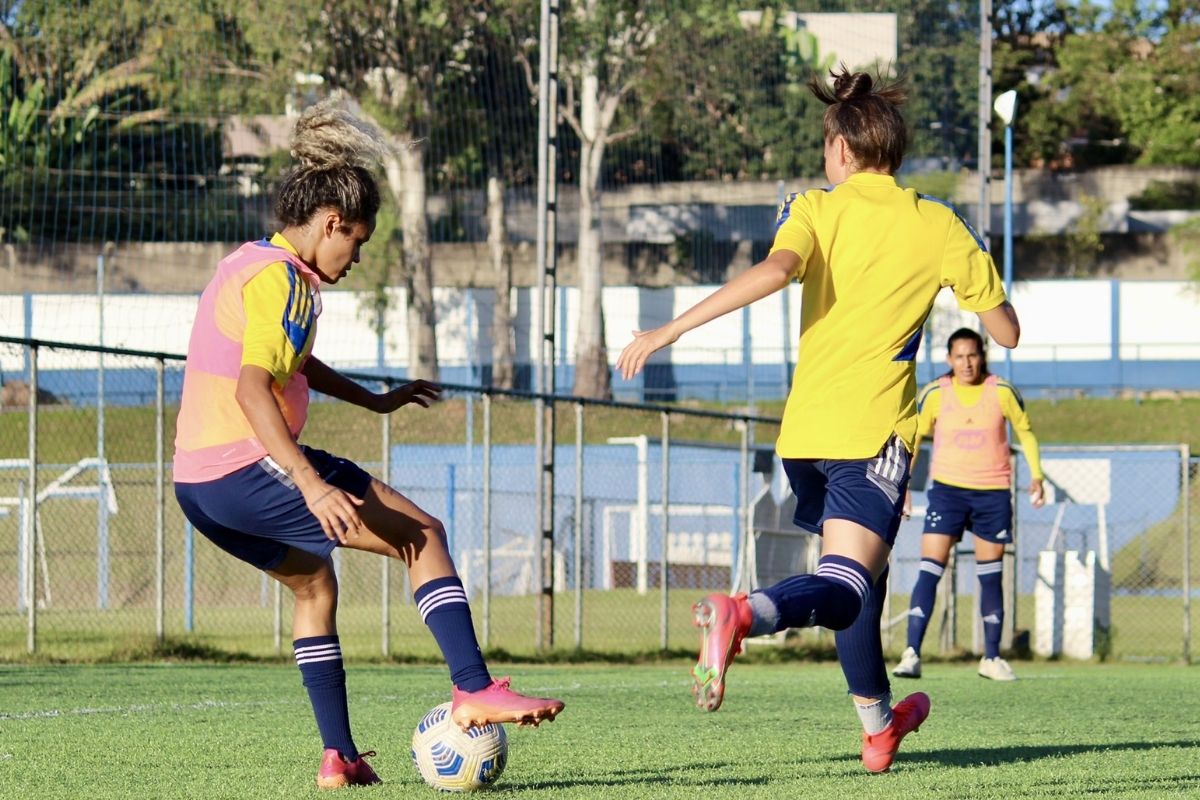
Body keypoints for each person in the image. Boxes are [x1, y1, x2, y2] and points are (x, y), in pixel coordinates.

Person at [616, 66, 1021, 774]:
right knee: (846, 585)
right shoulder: (938, 223)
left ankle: (878, 726)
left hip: (804, 434)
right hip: (873, 436)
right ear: (891, 150)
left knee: (861, 575)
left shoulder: (813, 207)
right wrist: (979, 285)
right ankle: (748, 614)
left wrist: (669, 329)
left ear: (839, 148)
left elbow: (777, 270)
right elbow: (1006, 334)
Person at [172, 99, 563, 791]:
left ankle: (339, 758)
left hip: (199, 488)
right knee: (423, 535)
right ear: (332, 224)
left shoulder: (250, 262)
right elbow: (253, 389)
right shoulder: (287, 281)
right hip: (250, 465)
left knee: (315, 585)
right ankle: (473, 688)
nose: (356, 257)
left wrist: (373, 399)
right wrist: (309, 482)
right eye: (357, 241)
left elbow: (290, 363)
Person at [892, 328, 1045, 682]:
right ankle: (912, 652)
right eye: (959, 356)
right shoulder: (934, 393)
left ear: (982, 356)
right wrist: (904, 486)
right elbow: (912, 441)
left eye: (972, 355)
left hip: (992, 494)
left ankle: (991, 657)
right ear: (949, 359)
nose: (966, 363)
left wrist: (1037, 475)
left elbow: (1026, 432)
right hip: (946, 492)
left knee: (990, 577)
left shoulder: (1002, 391)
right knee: (930, 569)